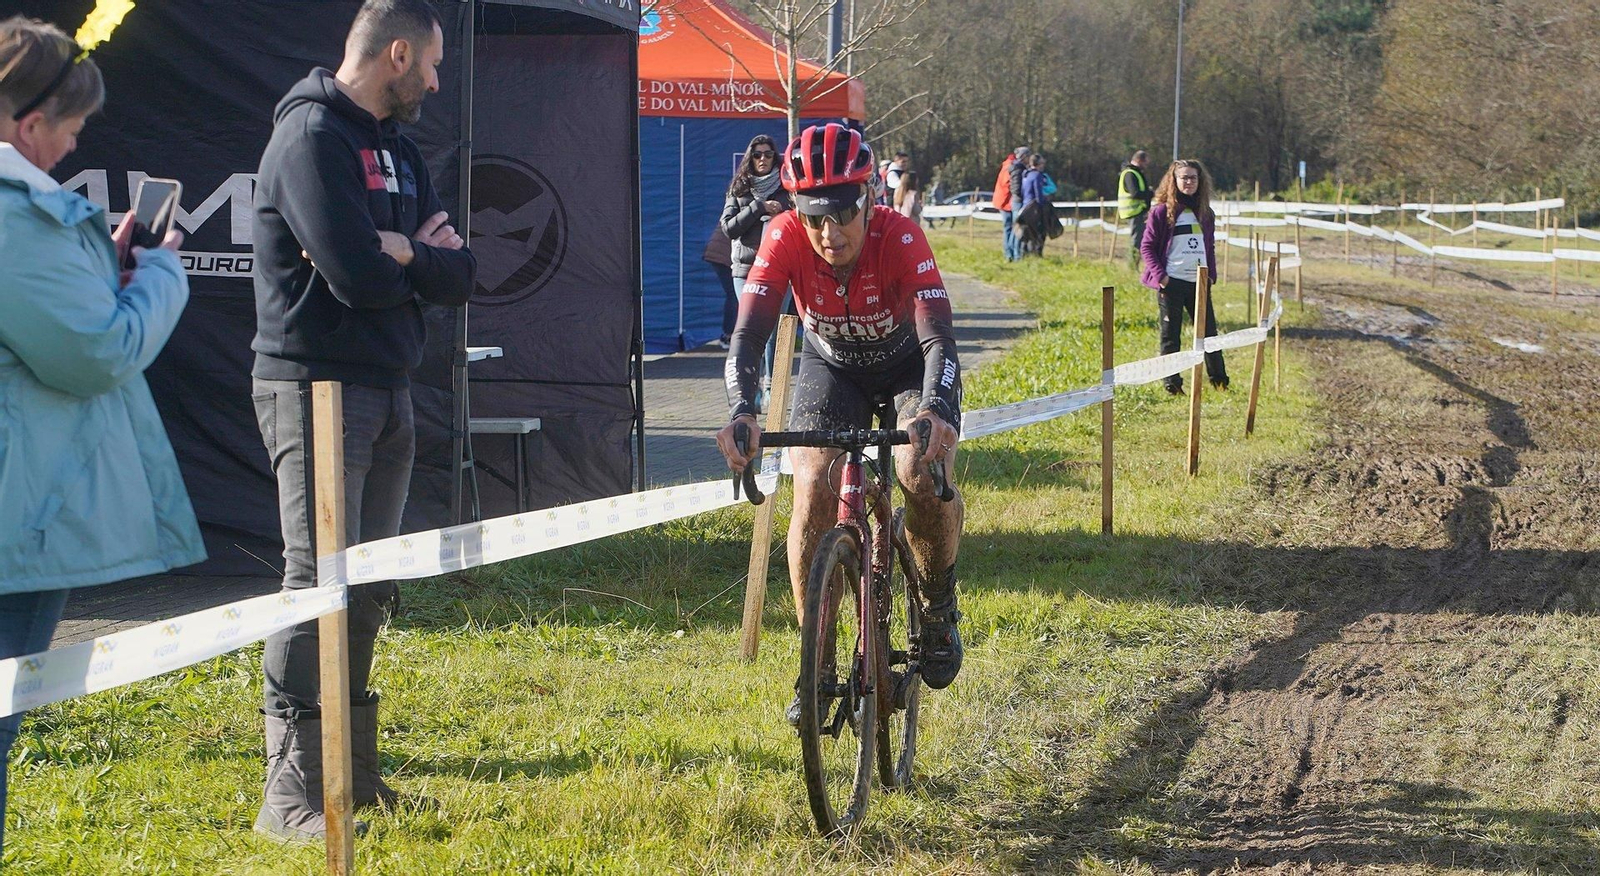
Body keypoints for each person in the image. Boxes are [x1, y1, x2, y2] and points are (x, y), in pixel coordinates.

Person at [250, 0, 475, 842]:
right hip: (315, 388)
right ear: (398, 54)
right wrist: (407, 258)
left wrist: (409, 253)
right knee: (316, 584)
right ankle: (289, 794)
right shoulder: (311, 140)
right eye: (433, 66)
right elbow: (352, 276)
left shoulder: (399, 149)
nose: (437, 81)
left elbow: (461, 272)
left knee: (370, 583)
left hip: (389, 386)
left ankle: (355, 776)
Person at [0, 15, 205, 851]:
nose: (74, 146)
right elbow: (96, 351)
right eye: (73, 130)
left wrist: (97, 264)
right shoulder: (16, 215)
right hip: (17, 519)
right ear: (28, 126)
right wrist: (159, 272)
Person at [714, 123, 966, 721]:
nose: (830, 234)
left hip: (908, 367)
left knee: (918, 470)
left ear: (870, 199)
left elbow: (939, 339)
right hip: (834, 370)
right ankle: (817, 662)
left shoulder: (901, 237)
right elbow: (747, 336)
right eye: (813, 217)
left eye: (843, 214)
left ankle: (936, 608)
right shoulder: (781, 238)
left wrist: (936, 410)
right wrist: (741, 411)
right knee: (811, 489)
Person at [1140, 159, 1228, 394]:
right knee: (1171, 337)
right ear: (1174, 180)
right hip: (1171, 283)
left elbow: (1209, 246)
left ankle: (1219, 381)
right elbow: (1146, 246)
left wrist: (1211, 275)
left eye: (1193, 178)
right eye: (1184, 177)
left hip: (1199, 283)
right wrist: (1162, 277)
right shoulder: (1161, 212)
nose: (1188, 182)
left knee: (1209, 334)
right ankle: (1173, 384)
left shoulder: (1206, 213)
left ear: (1200, 182)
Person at [720, 134, 794, 400]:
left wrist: (781, 211)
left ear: (776, 157)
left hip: (778, 269)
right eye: (757, 154)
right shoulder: (739, 189)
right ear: (749, 159)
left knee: (774, 330)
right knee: (751, 327)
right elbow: (728, 228)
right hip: (746, 271)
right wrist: (757, 208)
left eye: (768, 154)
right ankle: (751, 387)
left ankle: (773, 387)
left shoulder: (787, 189)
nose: (763, 159)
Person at [702, 225, 737, 348]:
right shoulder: (756, 208)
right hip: (725, 253)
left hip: (721, 251)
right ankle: (729, 335)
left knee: (733, 294)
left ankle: (729, 334)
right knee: (734, 295)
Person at [992, 146, 1028, 262]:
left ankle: (1009, 254)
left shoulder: (1006, 165)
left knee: (1008, 229)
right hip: (1007, 202)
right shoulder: (1012, 167)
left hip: (1003, 201)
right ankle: (1011, 254)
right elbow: (1011, 186)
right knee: (1012, 228)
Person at [1118, 149, 1154, 265]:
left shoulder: (1136, 173)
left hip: (1139, 211)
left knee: (1141, 240)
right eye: (1145, 162)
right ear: (1139, 160)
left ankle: (1136, 264)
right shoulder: (1130, 174)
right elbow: (1135, 193)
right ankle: (1132, 265)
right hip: (1134, 211)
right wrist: (1151, 193)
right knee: (1136, 241)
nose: (1146, 166)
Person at [1018, 154, 1049, 256]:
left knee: (1026, 233)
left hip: (1025, 206)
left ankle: (1024, 254)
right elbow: (1038, 194)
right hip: (1033, 208)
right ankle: (1035, 255)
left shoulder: (1026, 174)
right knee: (1036, 233)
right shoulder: (1037, 175)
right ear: (1038, 164)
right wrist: (1042, 207)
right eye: (1042, 163)